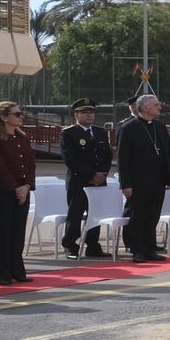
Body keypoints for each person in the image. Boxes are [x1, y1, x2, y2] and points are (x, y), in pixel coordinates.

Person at [117, 94, 170, 262]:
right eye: (156, 105)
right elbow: (123, 159)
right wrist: (125, 184)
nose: (159, 107)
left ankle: (150, 249)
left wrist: (169, 178)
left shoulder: (160, 127)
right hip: (137, 183)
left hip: (158, 181)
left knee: (152, 217)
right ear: (145, 108)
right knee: (138, 217)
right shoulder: (129, 128)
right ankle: (137, 250)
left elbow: (167, 154)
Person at [59, 98, 114, 259]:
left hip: (98, 181)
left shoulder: (99, 132)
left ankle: (93, 246)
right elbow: (70, 159)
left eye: (91, 112)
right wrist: (91, 175)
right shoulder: (69, 133)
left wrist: (102, 174)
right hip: (79, 181)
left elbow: (107, 155)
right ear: (76, 115)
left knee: (95, 214)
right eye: (85, 112)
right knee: (75, 215)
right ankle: (70, 245)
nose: (89, 115)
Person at [0, 102, 36, 284]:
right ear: (4, 117)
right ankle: (3, 273)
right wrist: (16, 188)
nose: (21, 116)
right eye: (17, 114)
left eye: (20, 113)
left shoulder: (22, 138)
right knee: (4, 233)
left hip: (22, 190)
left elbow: (31, 165)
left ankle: (18, 270)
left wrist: (26, 186)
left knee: (18, 233)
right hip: (3, 191)